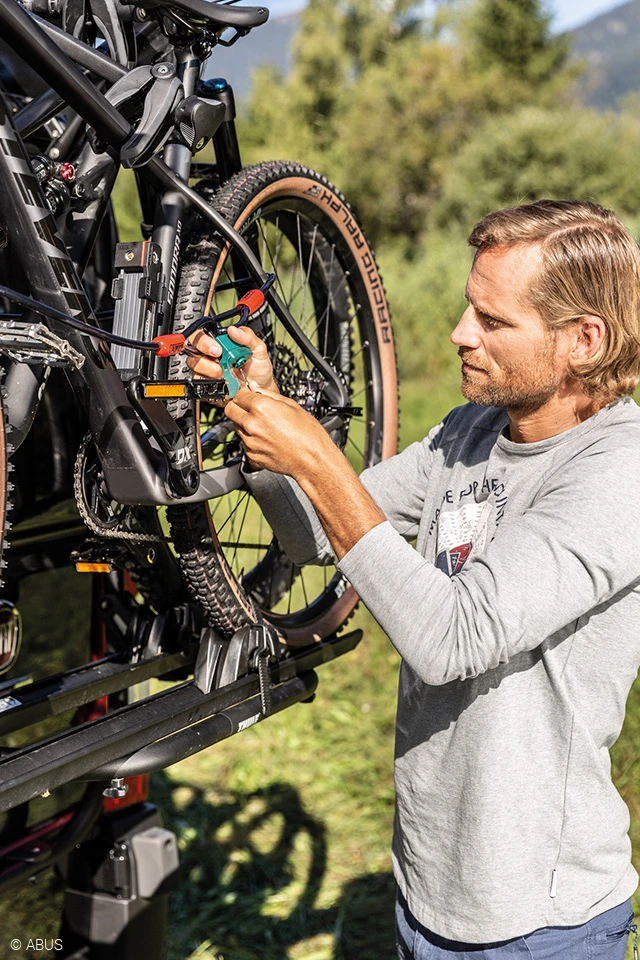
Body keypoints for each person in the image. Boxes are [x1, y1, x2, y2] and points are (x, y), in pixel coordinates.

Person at [188, 200, 640, 959]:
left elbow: (451, 639)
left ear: (582, 341)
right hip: (428, 889)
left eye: (493, 321)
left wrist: (317, 457)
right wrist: (262, 411)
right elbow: (319, 536)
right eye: (469, 306)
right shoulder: (468, 434)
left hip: (537, 920)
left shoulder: (616, 475)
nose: (461, 332)